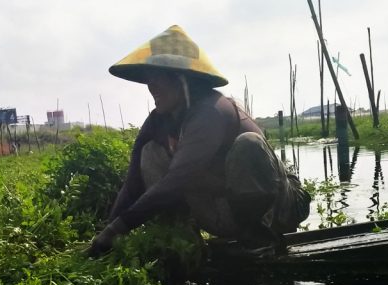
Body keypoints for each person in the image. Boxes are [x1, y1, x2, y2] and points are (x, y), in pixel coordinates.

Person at [88, 25, 310, 257]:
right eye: (148, 79)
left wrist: (119, 227)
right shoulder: (158, 121)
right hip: (224, 209)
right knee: (149, 153)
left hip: (278, 209)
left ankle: (259, 240)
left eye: (158, 78)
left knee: (248, 143)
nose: (150, 86)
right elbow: (133, 181)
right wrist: (108, 232)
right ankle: (183, 243)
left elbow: (178, 179)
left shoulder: (211, 111)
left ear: (181, 79)